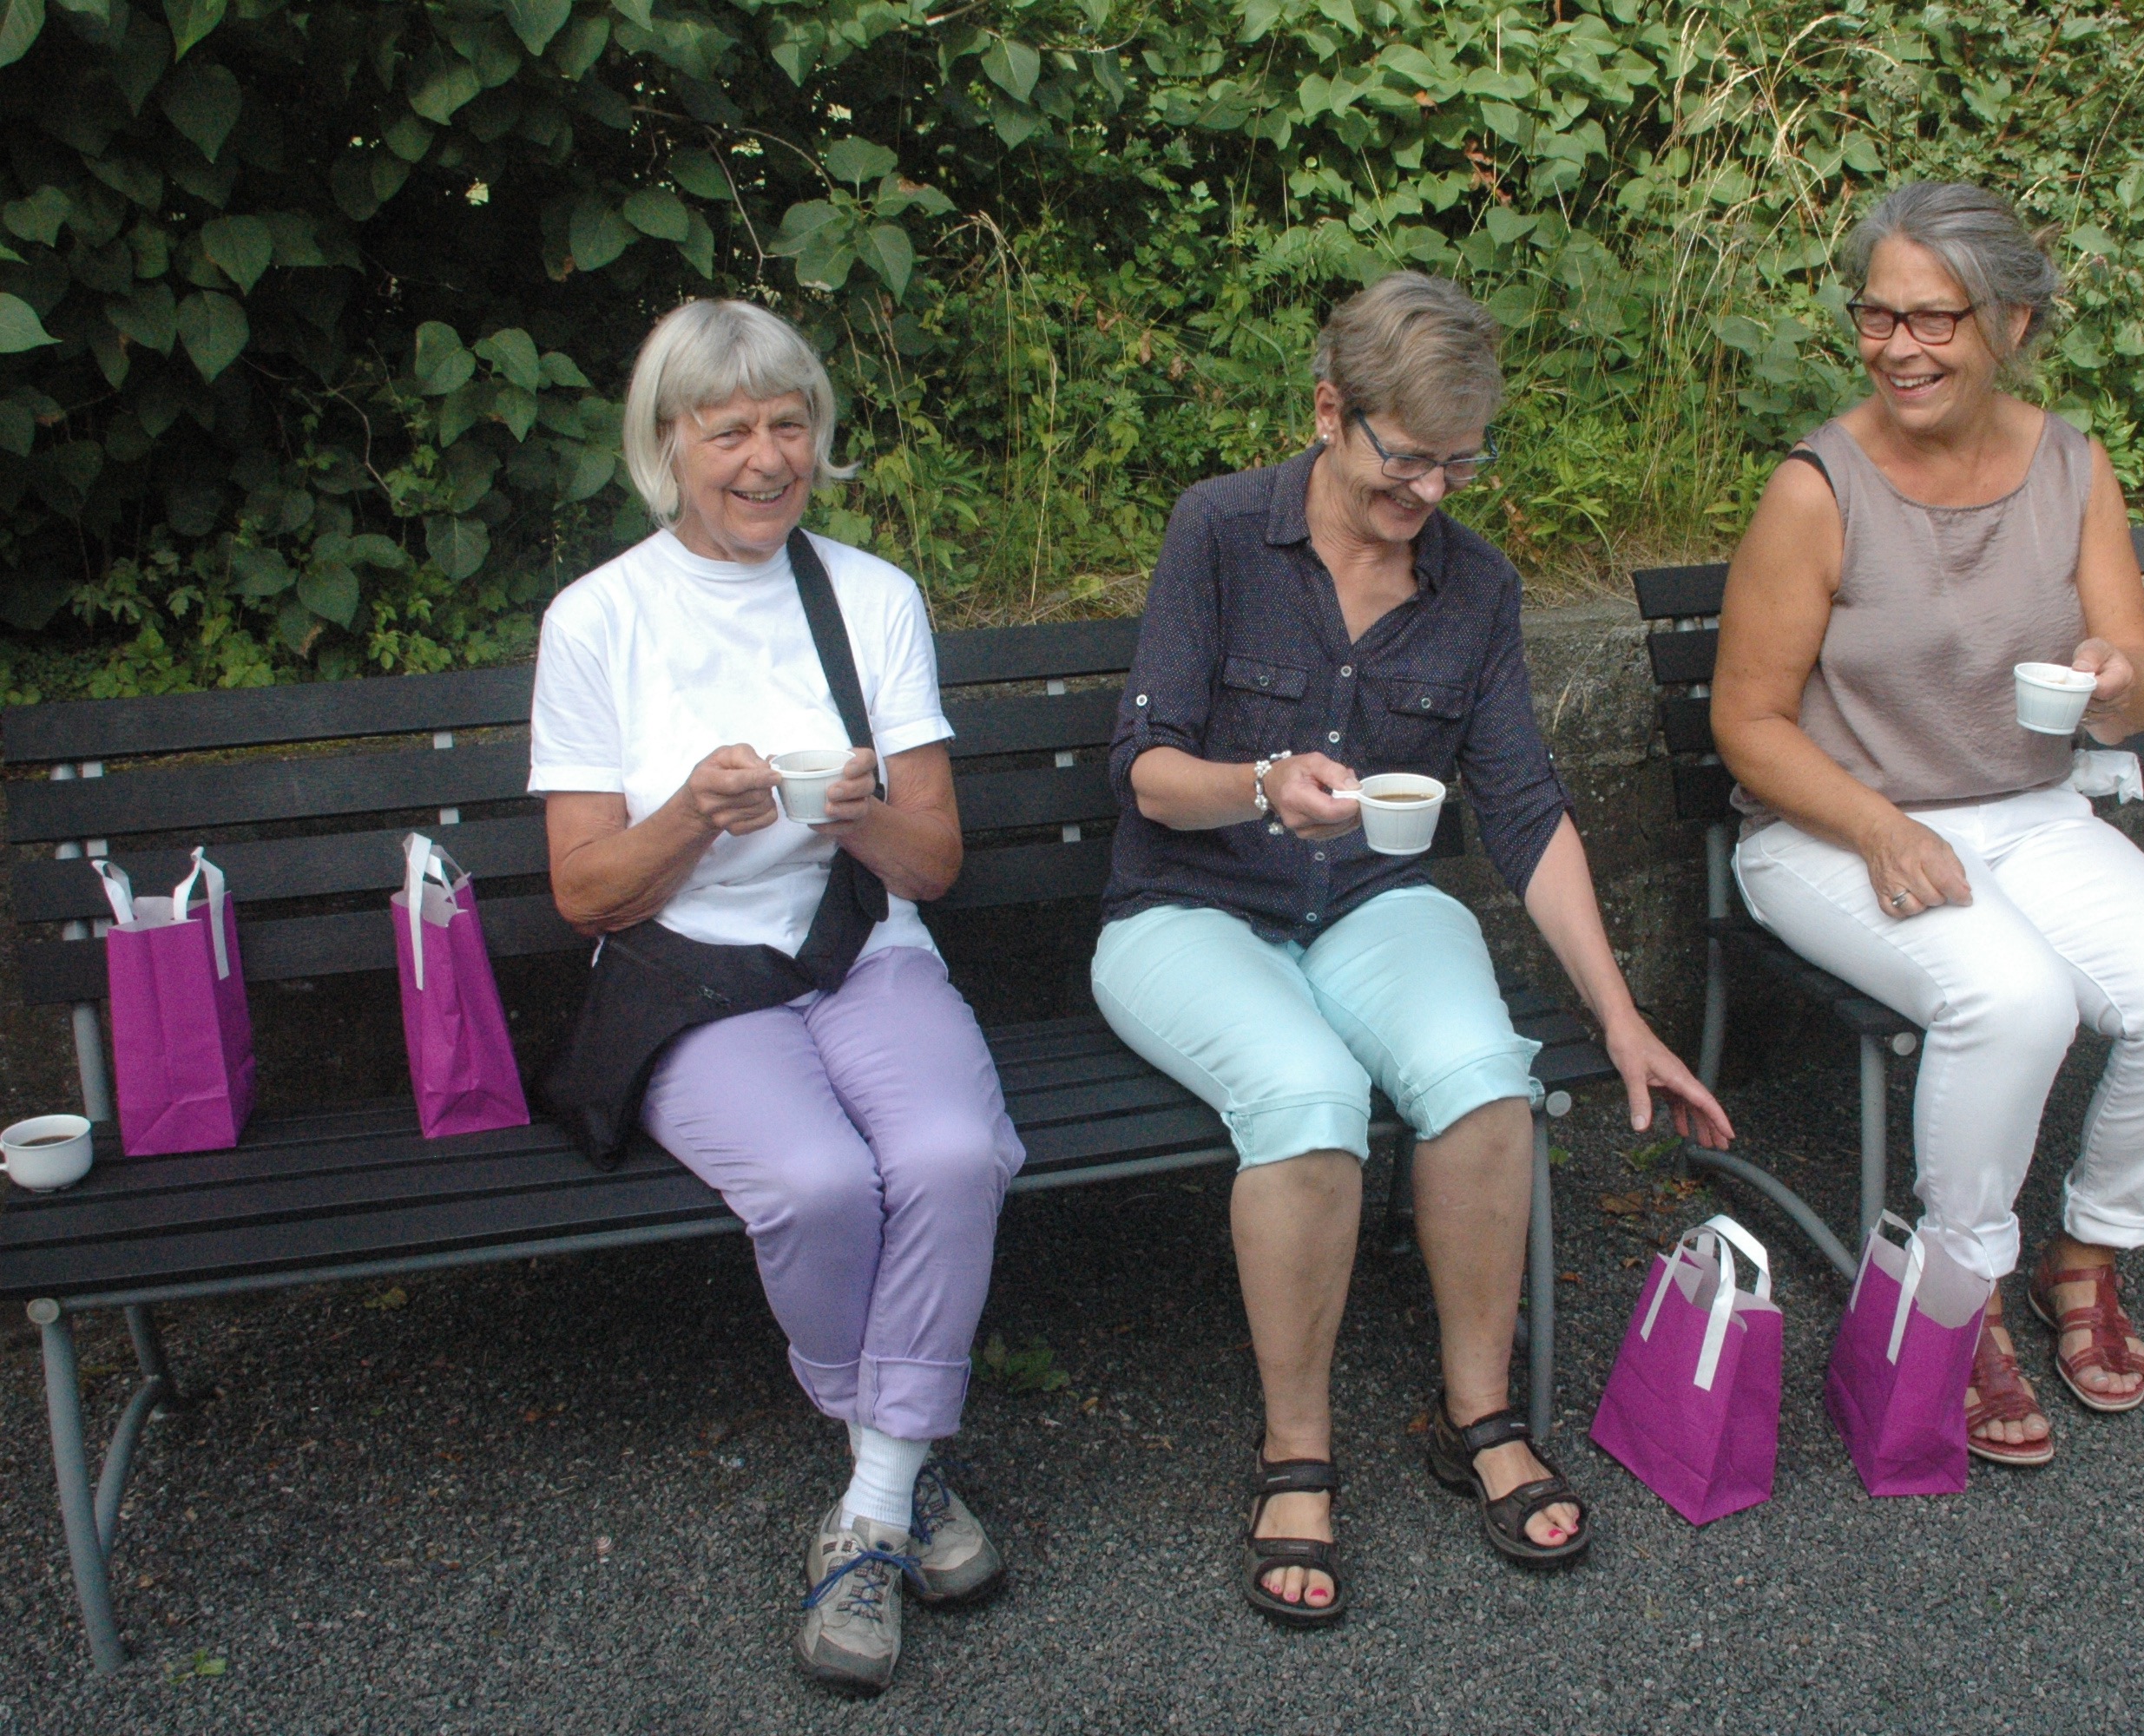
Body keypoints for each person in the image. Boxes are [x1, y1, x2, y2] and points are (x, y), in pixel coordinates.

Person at [1094, 272, 1734, 1624]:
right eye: (1407, 461)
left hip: (1371, 906)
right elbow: (1145, 774)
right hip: (1189, 908)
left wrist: (1621, 1018)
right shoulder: (1219, 531)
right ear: (1331, 412)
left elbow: (1524, 808)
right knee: (1308, 1097)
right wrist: (1262, 784)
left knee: (1488, 1083)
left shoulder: (1475, 584)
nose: (1432, 493)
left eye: (1461, 464)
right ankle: (1296, 1450)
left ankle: (1476, 1412)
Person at [1710, 184, 2144, 1469]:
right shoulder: (1818, 488)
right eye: (1877, 315)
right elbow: (1748, 723)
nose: (1898, 348)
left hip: (2029, 811)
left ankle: (2090, 1254)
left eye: (1934, 319)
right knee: (2013, 999)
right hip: (1827, 830)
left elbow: (2143, 683)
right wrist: (1879, 830)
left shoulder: (2072, 466)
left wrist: (2118, 682)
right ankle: (1958, 1298)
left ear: (2010, 323)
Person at [528, 299, 1025, 1692]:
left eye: (789, 424)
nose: (766, 458)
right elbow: (586, 892)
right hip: (691, 981)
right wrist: (694, 813)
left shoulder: (869, 598)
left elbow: (933, 862)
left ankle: (870, 1505)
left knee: (953, 1154)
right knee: (815, 1184)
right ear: (668, 445)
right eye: (729, 428)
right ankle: (906, 1468)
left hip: (861, 952)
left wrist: (856, 815)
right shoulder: (599, 620)